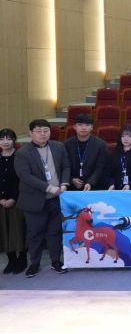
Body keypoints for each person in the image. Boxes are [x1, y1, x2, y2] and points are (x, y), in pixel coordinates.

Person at [14, 119, 71, 277]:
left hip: (56, 198)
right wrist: (48, 187)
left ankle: (56, 261)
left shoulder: (58, 146)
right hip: (34, 200)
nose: (43, 134)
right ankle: (35, 263)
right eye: (38, 131)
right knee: (35, 233)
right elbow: (25, 176)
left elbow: (66, 166)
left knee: (55, 232)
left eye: (46, 131)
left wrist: (64, 183)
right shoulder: (22, 153)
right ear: (30, 133)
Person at [0, 128, 26, 274]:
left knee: (19, 230)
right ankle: (11, 260)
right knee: (4, 231)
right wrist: (1, 199)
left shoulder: (20, 157)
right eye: (2, 139)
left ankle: (22, 259)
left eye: (9, 138)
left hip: (19, 200)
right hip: (1, 202)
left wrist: (13, 198)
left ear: (14, 140)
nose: (5, 142)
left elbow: (24, 179)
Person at [64, 113, 106, 191]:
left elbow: (100, 167)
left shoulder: (100, 145)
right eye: (80, 125)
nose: (83, 128)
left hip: (93, 186)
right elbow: (64, 166)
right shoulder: (66, 144)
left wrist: (90, 182)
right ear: (75, 127)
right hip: (72, 186)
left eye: (87, 125)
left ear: (92, 127)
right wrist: (71, 179)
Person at [105, 124, 131, 190]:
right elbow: (107, 173)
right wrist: (111, 183)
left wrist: (130, 184)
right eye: (123, 136)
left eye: (129, 136)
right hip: (116, 189)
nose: (126, 139)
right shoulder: (113, 154)